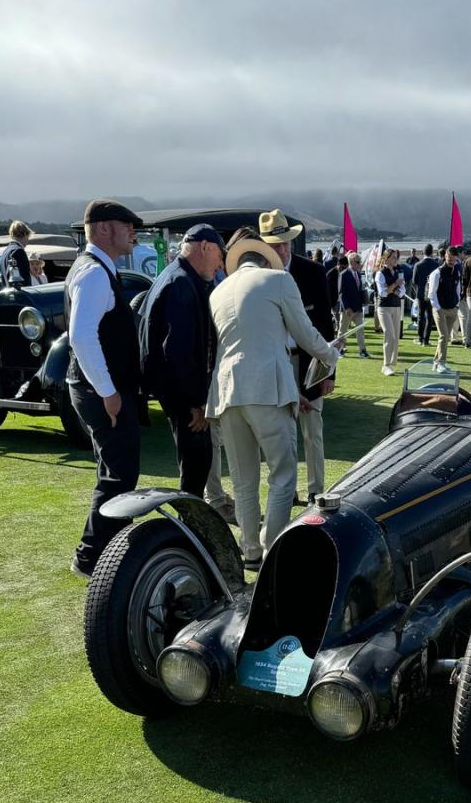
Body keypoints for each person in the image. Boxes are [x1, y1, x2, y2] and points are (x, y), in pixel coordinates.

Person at [206, 230, 340, 569]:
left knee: (243, 479)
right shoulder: (279, 280)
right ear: (268, 258)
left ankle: (250, 548)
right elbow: (305, 333)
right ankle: (273, 548)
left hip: (227, 391)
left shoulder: (219, 291)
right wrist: (331, 354)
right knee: (282, 475)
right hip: (267, 390)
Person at [65, 198, 145, 579]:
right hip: (102, 391)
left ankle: (105, 550)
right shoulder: (95, 272)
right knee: (118, 475)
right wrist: (108, 391)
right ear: (101, 228)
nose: (134, 231)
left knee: (115, 472)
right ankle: (91, 557)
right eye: (126, 224)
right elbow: (82, 337)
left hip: (100, 387)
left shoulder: (97, 268)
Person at [139, 222, 224, 501]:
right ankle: (190, 531)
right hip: (184, 399)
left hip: (177, 393)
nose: (221, 263)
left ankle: (191, 528)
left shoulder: (176, 276)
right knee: (195, 469)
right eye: (220, 254)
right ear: (204, 247)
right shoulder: (181, 283)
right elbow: (178, 352)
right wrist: (196, 404)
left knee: (198, 464)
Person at [257, 210, 337, 504]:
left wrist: (329, 373)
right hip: (273, 364)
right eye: (275, 244)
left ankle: (316, 489)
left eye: (285, 242)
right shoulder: (258, 277)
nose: (281, 249)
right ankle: (285, 490)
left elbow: (327, 326)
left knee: (312, 430)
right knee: (279, 432)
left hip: (310, 362)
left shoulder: (313, 272)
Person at [428, 246, 462, 370]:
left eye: (454, 258)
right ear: (445, 256)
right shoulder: (437, 273)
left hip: (452, 308)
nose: (451, 260)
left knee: (446, 337)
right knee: (443, 336)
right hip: (440, 309)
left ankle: (436, 363)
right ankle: (441, 362)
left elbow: (458, 289)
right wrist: (438, 308)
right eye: (449, 257)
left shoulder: (457, 272)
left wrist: (457, 305)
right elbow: (432, 293)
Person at [374, 247, 405, 375]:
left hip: (396, 306)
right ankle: (386, 365)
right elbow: (383, 293)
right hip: (384, 307)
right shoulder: (380, 273)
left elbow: (402, 290)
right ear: (386, 259)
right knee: (389, 334)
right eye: (393, 257)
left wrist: (395, 288)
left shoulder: (399, 271)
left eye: (396, 257)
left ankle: (391, 364)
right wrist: (395, 285)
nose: (395, 259)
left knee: (395, 336)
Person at [338, 252, 368, 356]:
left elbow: (360, 290)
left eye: (360, 262)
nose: (360, 264)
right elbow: (341, 293)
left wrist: (364, 302)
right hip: (348, 309)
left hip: (358, 308)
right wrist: (346, 307)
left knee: (360, 330)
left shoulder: (359, 275)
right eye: (358, 262)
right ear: (351, 262)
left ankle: (363, 351)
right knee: (343, 331)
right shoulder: (344, 274)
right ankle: (339, 350)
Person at [412, 244, 438, 347]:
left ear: (423, 252)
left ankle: (420, 338)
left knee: (420, 316)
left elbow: (414, 281)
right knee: (429, 317)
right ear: (432, 252)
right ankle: (426, 340)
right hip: (431, 293)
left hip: (421, 293)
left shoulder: (418, 265)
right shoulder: (436, 265)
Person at [1, 220, 32, 286]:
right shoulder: (19, 251)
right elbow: (24, 278)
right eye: (28, 236)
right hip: (19, 294)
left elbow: (3, 277)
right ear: (25, 234)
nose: (28, 240)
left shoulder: (6, 251)